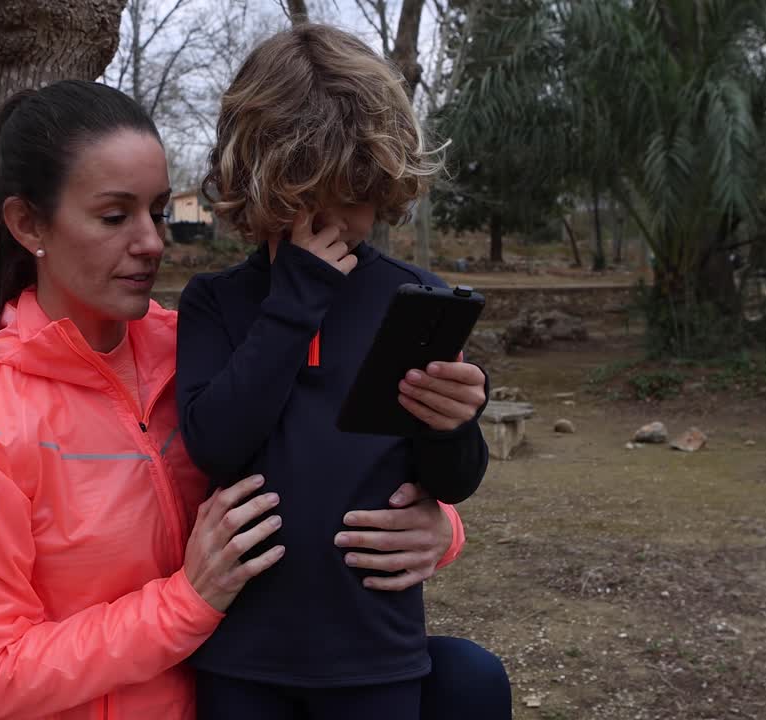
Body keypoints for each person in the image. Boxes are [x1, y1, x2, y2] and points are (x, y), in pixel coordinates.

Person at [0, 81, 507, 720]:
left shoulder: (201, 347)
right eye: (115, 216)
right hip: (198, 691)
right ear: (29, 224)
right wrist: (189, 600)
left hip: (252, 683)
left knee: (467, 678)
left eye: (158, 212)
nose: (152, 242)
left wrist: (440, 529)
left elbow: (328, 461)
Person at [177, 22, 494, 720]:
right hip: (241, 654)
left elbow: (451, 482)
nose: (331, 222)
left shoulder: (415, 299)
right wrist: (295, 302)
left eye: (351, 196)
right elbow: (216, 445)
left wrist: (455, 426)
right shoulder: (216, 304)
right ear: (255, 181)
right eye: (303, 198)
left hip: (374, 652)